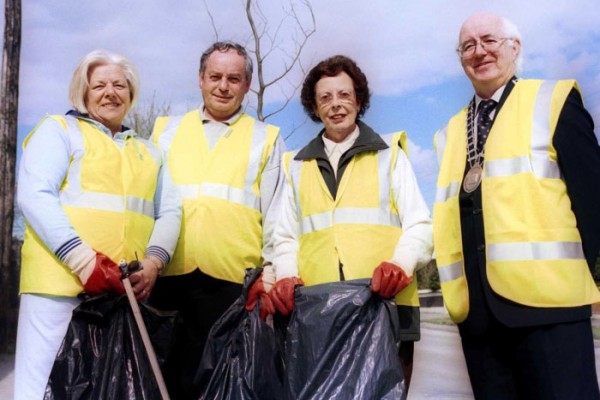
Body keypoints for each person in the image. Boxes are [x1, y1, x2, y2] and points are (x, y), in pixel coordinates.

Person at [433, 12, 600, 399]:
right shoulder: (449, 133)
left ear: (514, 46)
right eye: (468, 45)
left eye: (489, 40)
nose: (479, 51)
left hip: (550, 313)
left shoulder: (553, 101)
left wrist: (580, 277)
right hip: (479, 319)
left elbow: (592, 201)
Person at [252, 55, 433, 391]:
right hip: (317, 313)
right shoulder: (295, 164)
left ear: (358, 100)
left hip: (386, 308)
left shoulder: (389, 154)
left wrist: (401, 263)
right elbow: (285, 236)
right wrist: (287, 276)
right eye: (325, 98)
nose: (336, 105)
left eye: (344, 95)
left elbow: (420, 223)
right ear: (314, 107)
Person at [14, 49, 181, 399]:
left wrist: (153, 263)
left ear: (131, 94)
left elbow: (170, 212)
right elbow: (35, 196)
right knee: (43, 387)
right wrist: (83, 261)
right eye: (100, 85)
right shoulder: (59, 131)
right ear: (83, 91)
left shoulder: (149, 152)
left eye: (120, 85)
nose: (110, 92)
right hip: (59, 290)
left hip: (121, 296)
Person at [148, 41, 285, 399]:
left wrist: (269, 275)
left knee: (225, 387)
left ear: (247, 84)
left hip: (233, 284)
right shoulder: (165, 130)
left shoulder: (266, 138)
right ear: (200, 79)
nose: (223, 86)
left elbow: (275, 214)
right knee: (165, 382)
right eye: (215, 76)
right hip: (168, 277)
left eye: (233, 78)